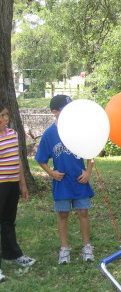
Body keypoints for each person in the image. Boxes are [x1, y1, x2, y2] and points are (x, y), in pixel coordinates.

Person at [35, 95, 95, 264]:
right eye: (65, 109)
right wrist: (51, 173)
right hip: (61, 182)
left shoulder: (79, 129)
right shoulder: (49, 133)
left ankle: (87, 246)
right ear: (55, 112)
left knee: (83, 212)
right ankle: (64, 248)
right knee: (63, 214)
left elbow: (92, 150)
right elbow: (41, 158)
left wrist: (88, 171)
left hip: (79, 180)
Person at [0, 103, 36, 282]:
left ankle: (11, 253)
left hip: (12, 184)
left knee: (8, 220)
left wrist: (22, 184)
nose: (5, 119)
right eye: (1, 116)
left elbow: (18, 160)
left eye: (6, 115)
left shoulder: (13, 134)